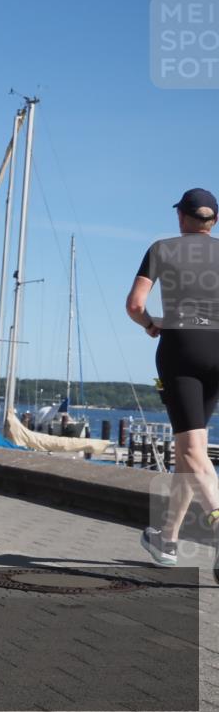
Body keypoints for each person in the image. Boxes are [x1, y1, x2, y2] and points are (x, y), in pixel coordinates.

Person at [128, 188, 219, 580]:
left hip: (180, 347)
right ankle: (167, 538)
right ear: (213, 221)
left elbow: (134, 304)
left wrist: (150, 323)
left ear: (182, 217)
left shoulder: (162, 248)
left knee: (193, 448)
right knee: (188, 451)